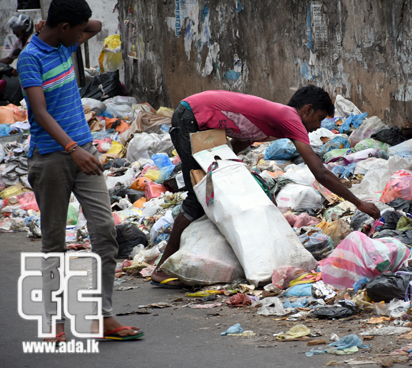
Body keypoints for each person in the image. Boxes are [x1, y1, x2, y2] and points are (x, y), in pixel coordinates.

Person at [150, 86, 381, 288]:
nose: (317, 126)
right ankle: (161, 269)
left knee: (209, 191)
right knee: (199, 196)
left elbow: (237, 144)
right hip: (192, 116)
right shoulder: (289, 118)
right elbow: (319, 172)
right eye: (319, 118)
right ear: (307, 110)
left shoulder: (274, 119)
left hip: (194, 115)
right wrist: (358, 202)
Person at [17, 0, 143, 343]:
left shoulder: (64, 44)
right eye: (76, 31)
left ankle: (102, 316)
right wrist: (73, 149)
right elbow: (39, 112)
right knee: (54, 242)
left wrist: (59, 25)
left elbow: (97, 24)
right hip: (53, 158)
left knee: (105, 232)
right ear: (64, 26)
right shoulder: (30, 58)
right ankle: (55, 322)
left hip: (82, 154)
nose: (82, 38)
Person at [0, 13, 34, 91]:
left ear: (26, 28)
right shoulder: (19, 42)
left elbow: (28, 60)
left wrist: (18, 70)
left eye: (17, 29)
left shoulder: (32, 41)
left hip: (32, 73)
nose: (15, 32)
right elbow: (9, 59)